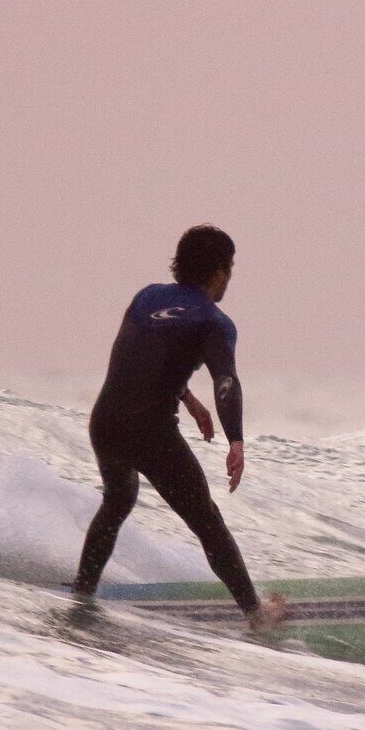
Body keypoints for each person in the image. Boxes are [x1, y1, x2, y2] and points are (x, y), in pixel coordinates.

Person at [73, 224, 287, 630]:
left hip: (105, 421)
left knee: (117, 501)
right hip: (150, 433)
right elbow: (225, 381)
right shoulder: (213, 321)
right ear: (220, 272)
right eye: (231, 268)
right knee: (206, 521)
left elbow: (143, 359)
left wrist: (185, 399)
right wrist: (236, 439)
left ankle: (83, 593)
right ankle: (256, 613)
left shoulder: (147, 298)